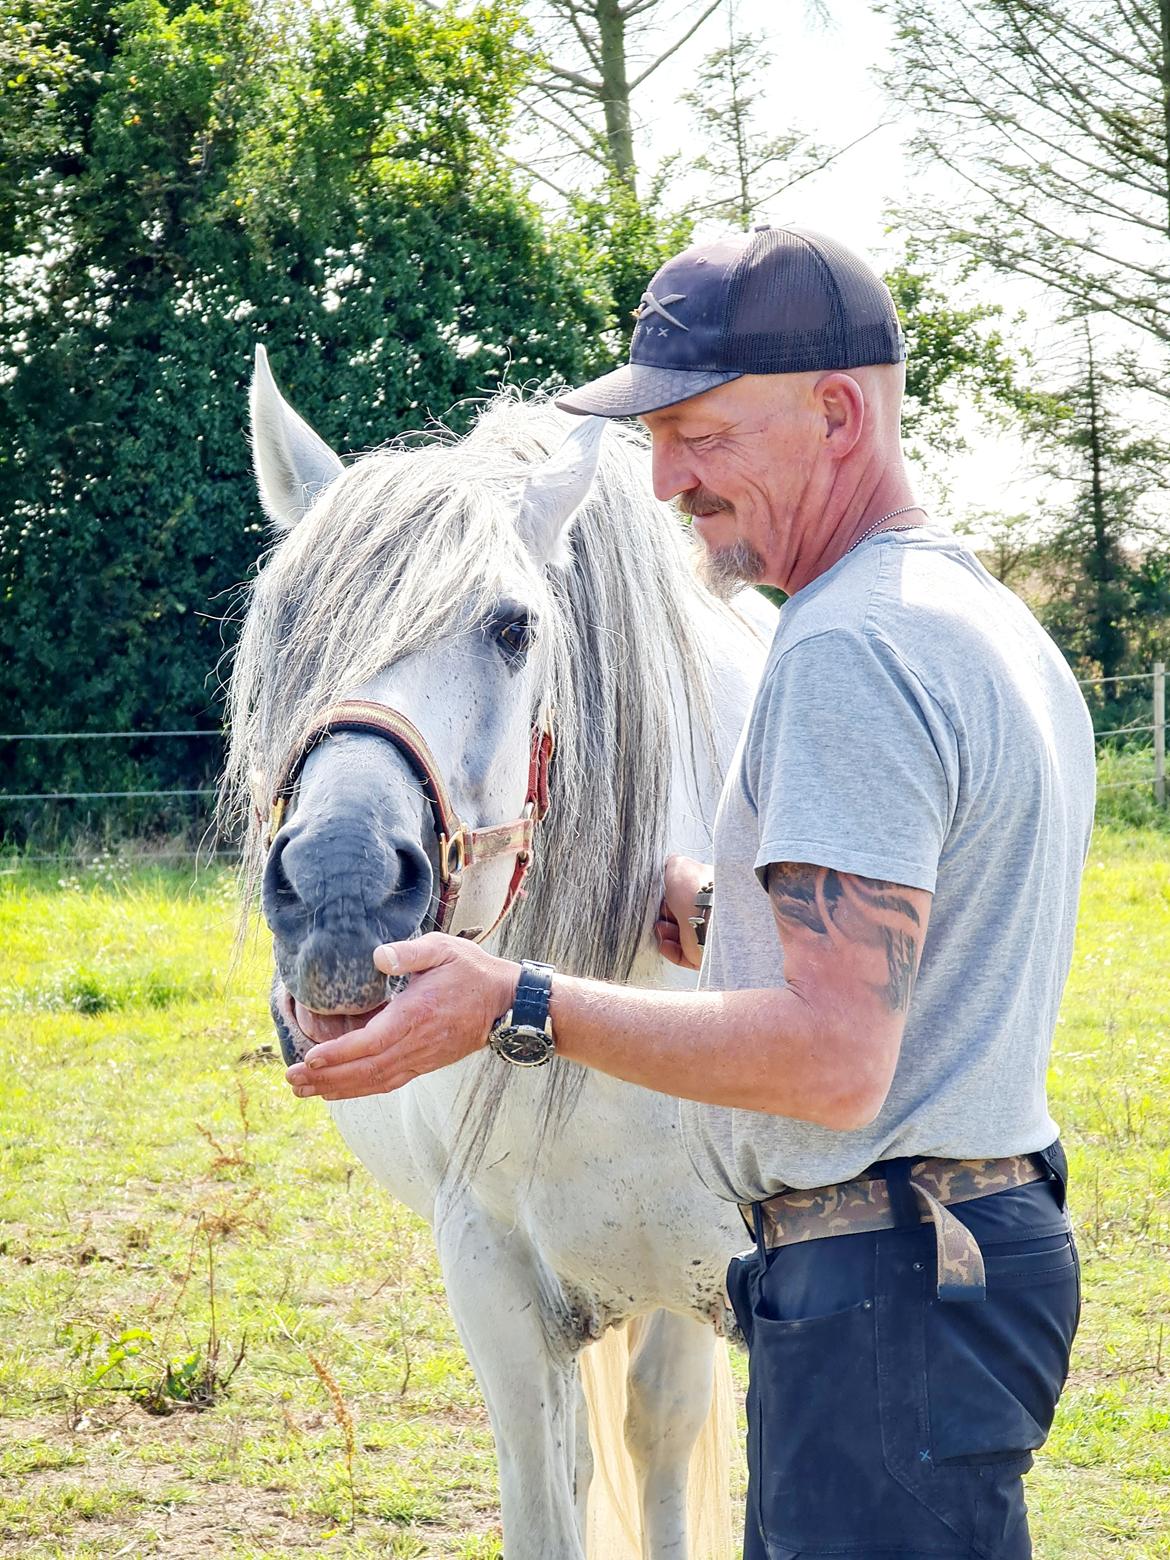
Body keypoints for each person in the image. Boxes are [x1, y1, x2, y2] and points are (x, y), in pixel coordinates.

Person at [285, 226, 1095, 1558]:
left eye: (702, 435)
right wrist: (716, 911)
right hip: (967, 1250)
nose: (665, 481)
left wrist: (516, 1000)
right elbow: (925, 950)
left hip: (880, 1287)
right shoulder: (978, 620)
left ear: (837, 414)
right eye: (657, 439)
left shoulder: (846, 651)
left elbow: (835, 1060)